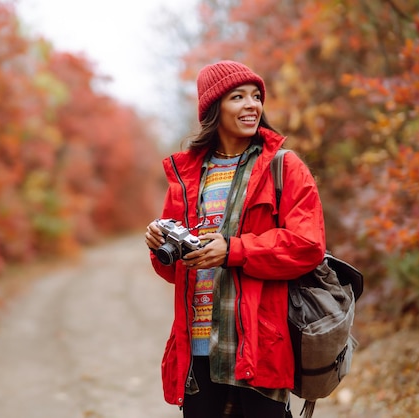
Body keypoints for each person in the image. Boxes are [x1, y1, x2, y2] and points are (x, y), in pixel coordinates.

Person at [144, 60, 326, 418]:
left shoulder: (284, 167)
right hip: (198, 350)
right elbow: (176, 273)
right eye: (238, 97)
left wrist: (234, 250)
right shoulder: (189, 176)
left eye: (256, 96)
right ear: (214, 108)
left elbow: (308, 246)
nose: (252, 105)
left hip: (258, 347)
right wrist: (160, 248)